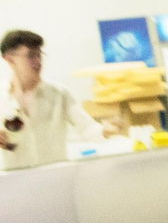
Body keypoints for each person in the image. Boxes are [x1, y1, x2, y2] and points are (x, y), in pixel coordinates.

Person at [0, 29, 101, 173]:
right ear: (9, 59)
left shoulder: (59, 94)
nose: (38, 61)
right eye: (31, 55)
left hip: (56, 178)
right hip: (15, 181)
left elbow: (87, 127)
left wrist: (108, 131)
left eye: (39, 54)